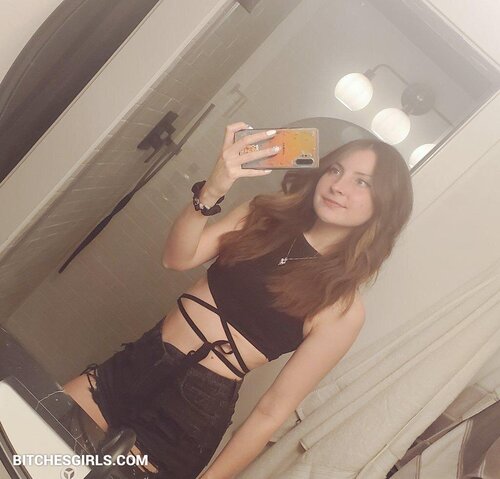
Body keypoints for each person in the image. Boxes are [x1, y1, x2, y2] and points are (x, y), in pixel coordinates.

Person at [63, 121, 413, 479]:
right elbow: (176, 259)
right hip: (130, 367)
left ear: (384, 206)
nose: (338, 186)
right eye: (336, 170)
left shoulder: (341, 308)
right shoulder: (262, 215)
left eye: (362, 182)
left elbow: (271, 412)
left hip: (184, 419)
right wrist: (213, 189)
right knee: (32, 446)